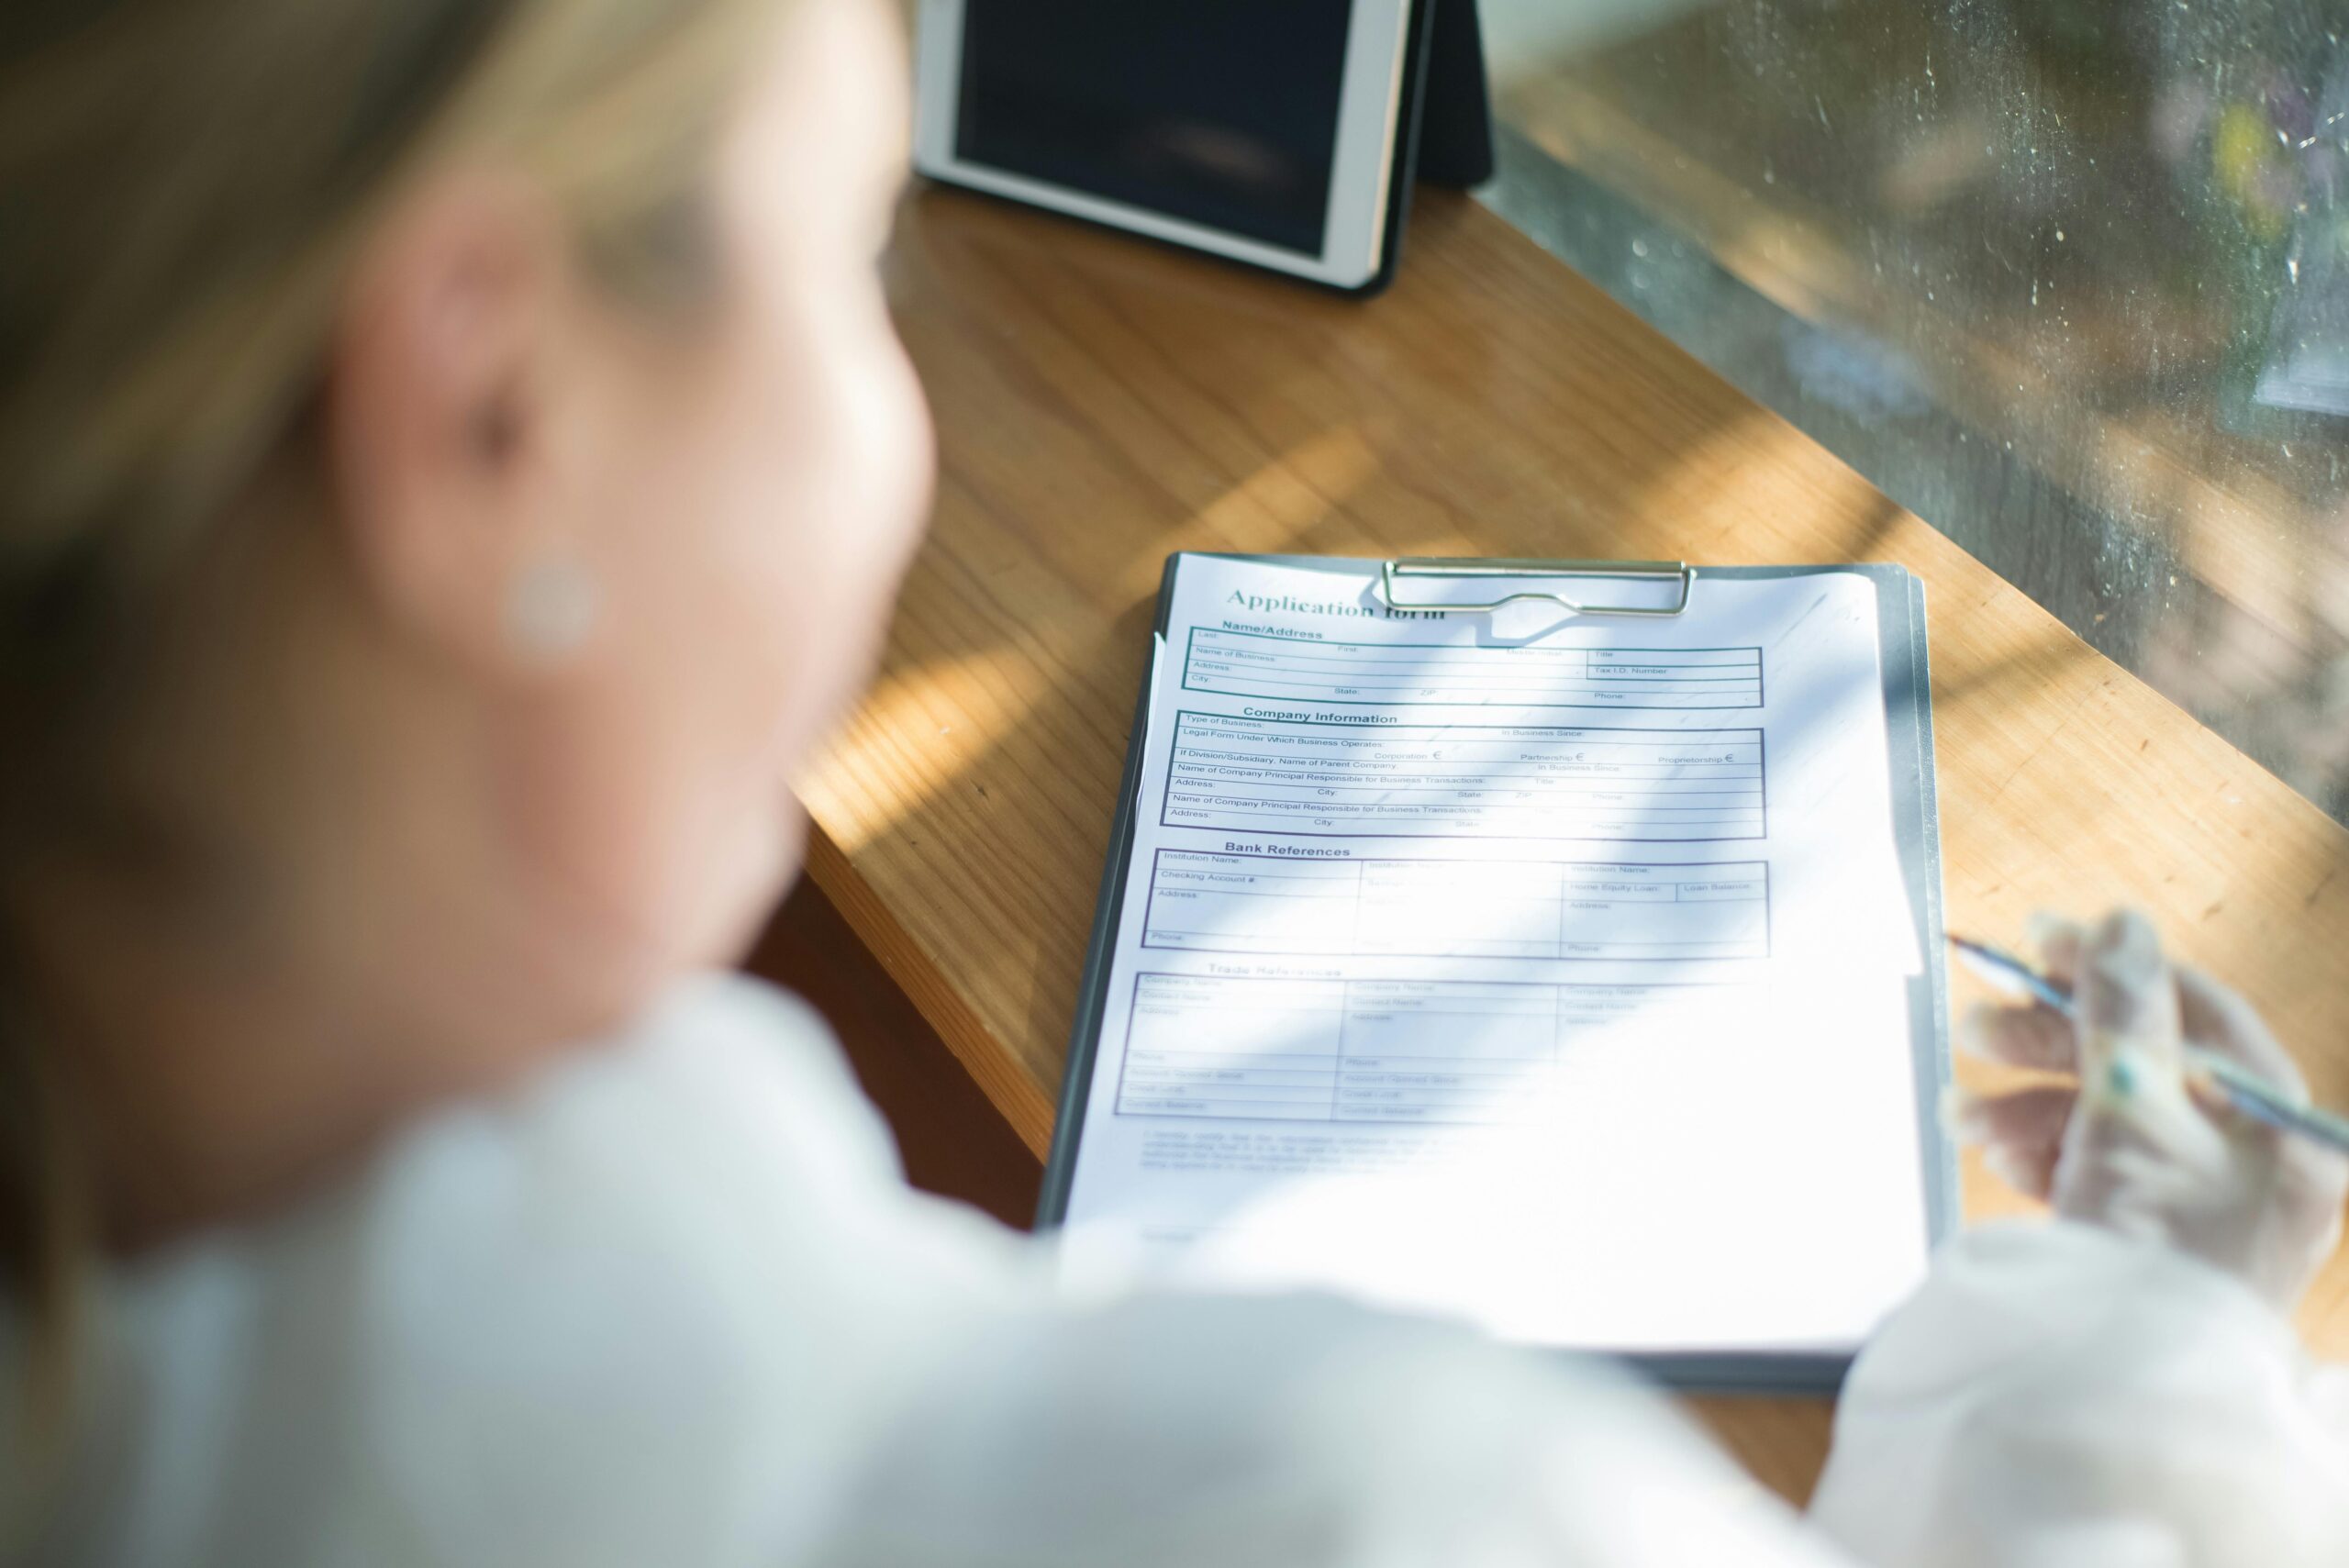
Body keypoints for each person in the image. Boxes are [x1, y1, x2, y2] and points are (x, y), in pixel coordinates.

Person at [0, 1, 2343, 1562]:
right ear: (488, 412)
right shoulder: (1331, 1502)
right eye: (861, 261)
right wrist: (2152, 1349)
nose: (897, 412)